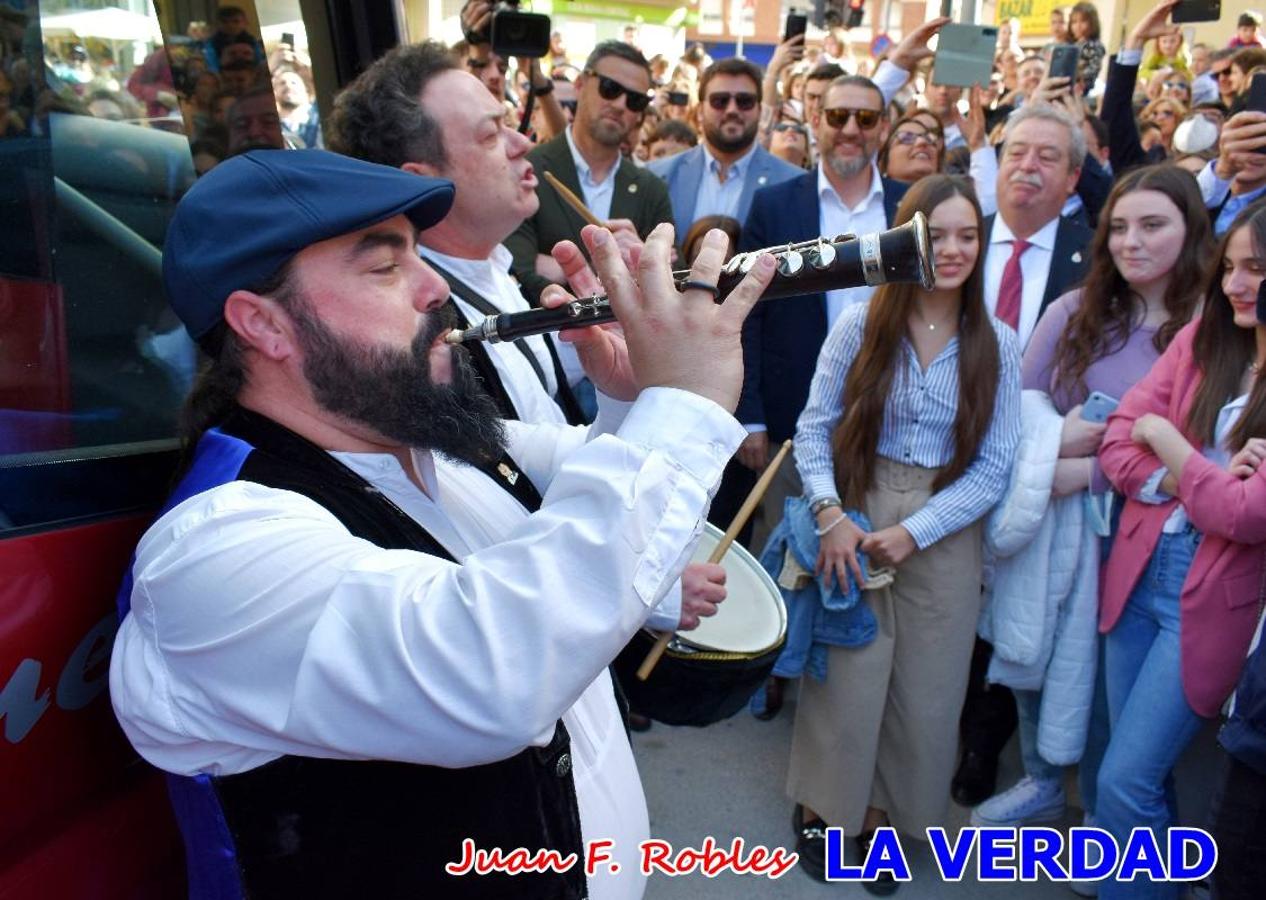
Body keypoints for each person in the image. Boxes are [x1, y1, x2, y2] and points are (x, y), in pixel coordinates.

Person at [108, 147, 775, 899]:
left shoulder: (440, 447)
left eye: (421, 255)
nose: (436, 290)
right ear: (264, 324)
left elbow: (612, 510)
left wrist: (632, 399)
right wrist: (683, 403)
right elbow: (496, 671)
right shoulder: (214, 550)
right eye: (386, 266)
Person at [788, 175, 1020, 889]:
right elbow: (814, 428)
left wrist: (917, 531)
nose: (950, 250)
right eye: (934, 233)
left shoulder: (999, 342)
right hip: (855, 507)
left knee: (928, 683)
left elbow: (995, 466)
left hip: (945, 525)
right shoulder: (860, 322)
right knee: (850, 674)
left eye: (967, 235)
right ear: (902, 236)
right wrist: (829, 515)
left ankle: (883, 816)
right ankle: (830, 809)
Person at [973, 166, 1213, 842]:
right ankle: (1048, 787)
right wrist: (1057, 451)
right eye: (1119, 228)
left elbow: (1197, 456)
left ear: (1192, 231)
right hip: (1061, 535)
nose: (1131, 242)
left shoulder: (1213, 331)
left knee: (1118, 700)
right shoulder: (1073, 311)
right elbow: (1012, 418)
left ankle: (1106, 825)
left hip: (1157, 544)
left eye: (1153, 225)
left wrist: (1079, 472)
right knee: (1037, 655)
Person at [1095, 200, 1266, 900]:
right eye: (1230, 267)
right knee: (1140, 775)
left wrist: (1166, 442)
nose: (1234, 285)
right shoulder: (1204, 337)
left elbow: (1246, 514)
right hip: (1137, 575)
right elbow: (1114, 443)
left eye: (1256, 268)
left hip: (1214, 602)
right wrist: (1195, 472)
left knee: (1124, 780)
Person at [330, 42, 589, 433]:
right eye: (490, 135)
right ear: (421, 182)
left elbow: (539, 387)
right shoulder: (425, 337)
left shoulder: (493, 264)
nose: (523, 145)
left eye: (507, 123)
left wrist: (608, 326)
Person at [952, 100, 1095, 808]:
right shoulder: (956, 238)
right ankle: (937, 727)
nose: (1027, 167)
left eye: (1047, 157)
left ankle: (983, 748)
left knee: (1011, 609)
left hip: (1038, 464)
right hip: (946, 453)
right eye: (1015, 152)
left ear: (1073, 178)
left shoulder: (1097, 258)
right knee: (948, 597)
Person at [733, 73, 908, 566]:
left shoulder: (908, 205)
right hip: (790, 421)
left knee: (869, 569)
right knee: (782, 558)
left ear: (883, 126)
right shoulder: (776, 205)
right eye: (837, 116)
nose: (850, 128)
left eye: (865, 118)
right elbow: (749, 312)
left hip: (889, 424)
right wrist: (750, 413)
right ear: (815, 121)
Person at [506, 41, 673, 306]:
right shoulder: (528, 169)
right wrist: (599, 273)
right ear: (581, 84)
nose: (620, 104)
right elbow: (513, 270)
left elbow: (675, 283)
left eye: (635, 100)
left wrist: (644, 260)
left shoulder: (651, 189)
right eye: (610, 88)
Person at [648, 57, 802, 250]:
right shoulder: (658, 176)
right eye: (719, 101)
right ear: (700, 111)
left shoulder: (794, 184)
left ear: (760, 110)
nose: (732, 109)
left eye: (744, 101)